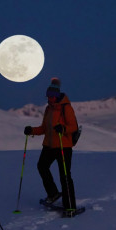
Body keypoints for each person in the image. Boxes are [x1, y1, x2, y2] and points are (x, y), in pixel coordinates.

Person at [24, 78, 78, 212]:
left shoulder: (66, 108)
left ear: (57, 95)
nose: (50, 98)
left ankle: (70, 206)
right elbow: (44, 128)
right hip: (49, 146)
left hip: (63, 146)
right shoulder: (48, 109)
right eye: (48, 96)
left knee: (64, 176)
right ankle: (53, 193)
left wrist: (63, 129)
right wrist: (32, 130)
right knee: (42, 166)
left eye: (52, 96)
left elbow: (73, 127)